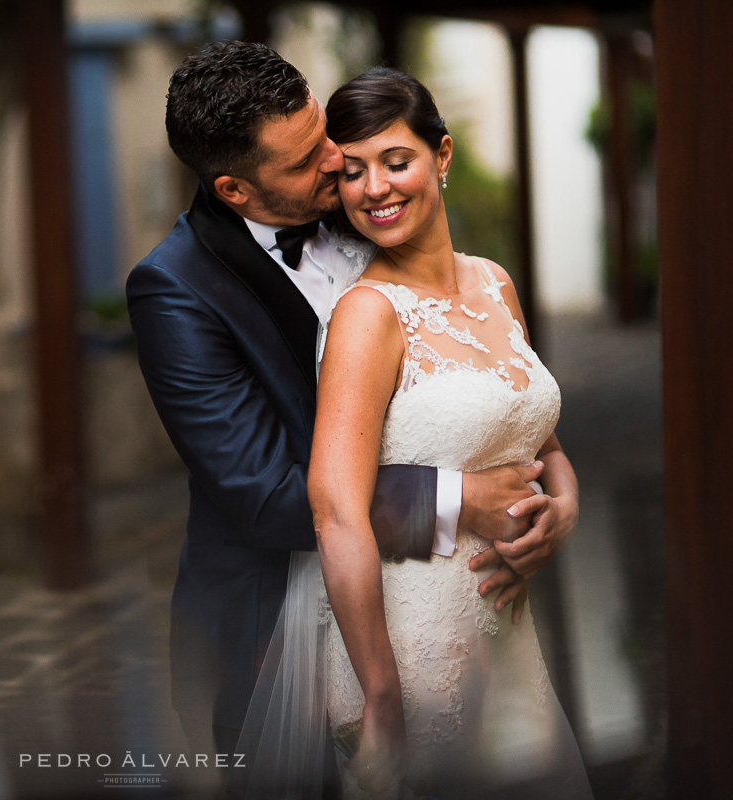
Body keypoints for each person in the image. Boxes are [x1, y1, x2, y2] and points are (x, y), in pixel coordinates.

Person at [125, 41, 577, 781]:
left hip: (452, 605)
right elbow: (267, 496)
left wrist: (554, 497)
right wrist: (461, 499)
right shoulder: (176, 292)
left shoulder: (368, 205)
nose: (339, 165)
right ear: (237, 190)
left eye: (324, 137)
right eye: (307, 162)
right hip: (279, 632)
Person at [240, 67, 592, 800]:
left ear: (442, 155)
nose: (375, 189)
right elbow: (336, 509)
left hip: (506, 639)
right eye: (354, 172)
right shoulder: (369, 315)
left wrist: (564, 506)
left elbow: (539, 438)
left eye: (395, 161)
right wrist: (381, 695)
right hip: (413, 649)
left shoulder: (495, 284)